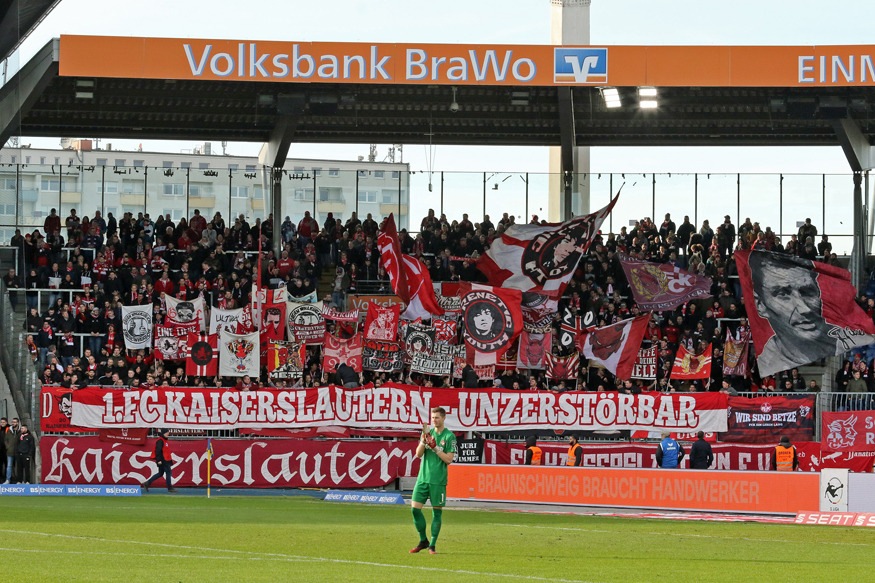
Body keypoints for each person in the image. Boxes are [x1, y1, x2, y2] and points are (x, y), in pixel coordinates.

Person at [748, 252, 839, 372]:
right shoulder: (767, 362)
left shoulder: (842, 342)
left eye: (807, 292)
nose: (804, 309)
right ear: (760, 304)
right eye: (783, 294)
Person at [410, 407, 456, 555]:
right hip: (422, 478)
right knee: (414, 509)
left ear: (443, 418)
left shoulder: (449, 436)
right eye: (433, 417)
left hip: (438, 480)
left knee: (437, 513)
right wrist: (424, 441)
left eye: (437, 417)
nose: (434, 420)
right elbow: (418, 454)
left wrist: (435, 447)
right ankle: (423, 541)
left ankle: (432, 545)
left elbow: (449, 460)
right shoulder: (427, 434)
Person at [142, 428, 177, 492]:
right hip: (163, 460)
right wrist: (158, 460)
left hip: (164, 460)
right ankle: (170, 488)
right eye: (167, 432)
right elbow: (157, 451)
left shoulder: (163, 440)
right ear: (163, 433)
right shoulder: (160, 441)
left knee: (160, 473)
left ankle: (147, 483)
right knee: (168, 473)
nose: (168, 434)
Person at [3, 418, 19, 484]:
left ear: (17, 423)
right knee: (9, 466)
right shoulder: (9, 430)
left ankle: (19, 480)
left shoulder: (20, 431)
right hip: (10, 451)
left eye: (14, 422)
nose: (13, 423)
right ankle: (8, 480)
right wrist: (8, 447)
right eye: (12, 422)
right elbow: (5, 440)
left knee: (19, 467)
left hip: (18, 452)